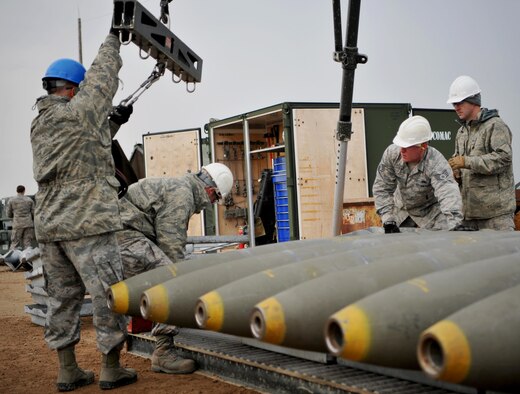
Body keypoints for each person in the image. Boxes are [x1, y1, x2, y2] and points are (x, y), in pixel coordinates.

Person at [30, 27, 137, 391]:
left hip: (50, 223)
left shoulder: (40, 122)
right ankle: (110, 368)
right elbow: (104, 75)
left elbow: (80, 146)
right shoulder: (79, 110)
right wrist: (114, 36)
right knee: (109, 293)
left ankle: (67, 370)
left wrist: (113, 124)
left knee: (62, 298)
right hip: (88, 219)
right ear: (74, 89)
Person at [116, 162, 233, 373]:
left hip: (122, 235)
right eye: (215, 198)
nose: (210, 203)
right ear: (209, 190)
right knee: (171, 281)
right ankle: (163, 352)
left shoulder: (179, 187)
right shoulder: (182, 196)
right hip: (126, 237)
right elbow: (171, 248)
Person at [446, 75, 516, 231]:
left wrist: (467, 162)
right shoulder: (461, 132)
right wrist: (456, 171)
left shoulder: (495, 126)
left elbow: (504, 159)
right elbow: (461, 164)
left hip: (496, 217)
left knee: (503, 255)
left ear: (473, 101)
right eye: (454, 104)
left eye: (460, 102)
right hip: (469, 216)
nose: (456, 107)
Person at [373, 115, 464, 233]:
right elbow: (382, 188)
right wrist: (388, 219)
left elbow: (448, 192)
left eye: (406, 147)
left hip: (430, 214)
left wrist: (455, 224)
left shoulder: (436, 162)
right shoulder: (392, 154)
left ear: (423, 146)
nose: (402, 150)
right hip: (401, 212)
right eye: (401, 145)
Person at [6, 185, 35, 250]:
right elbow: (34, 213)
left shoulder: (11, 200)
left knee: (14, 243)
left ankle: (13, 258)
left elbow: (9, 214)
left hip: (17, 225)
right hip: (28, 224)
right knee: (27, 244)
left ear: (17, 191)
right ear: (24, 191)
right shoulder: (29, 200)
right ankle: (27, 258)